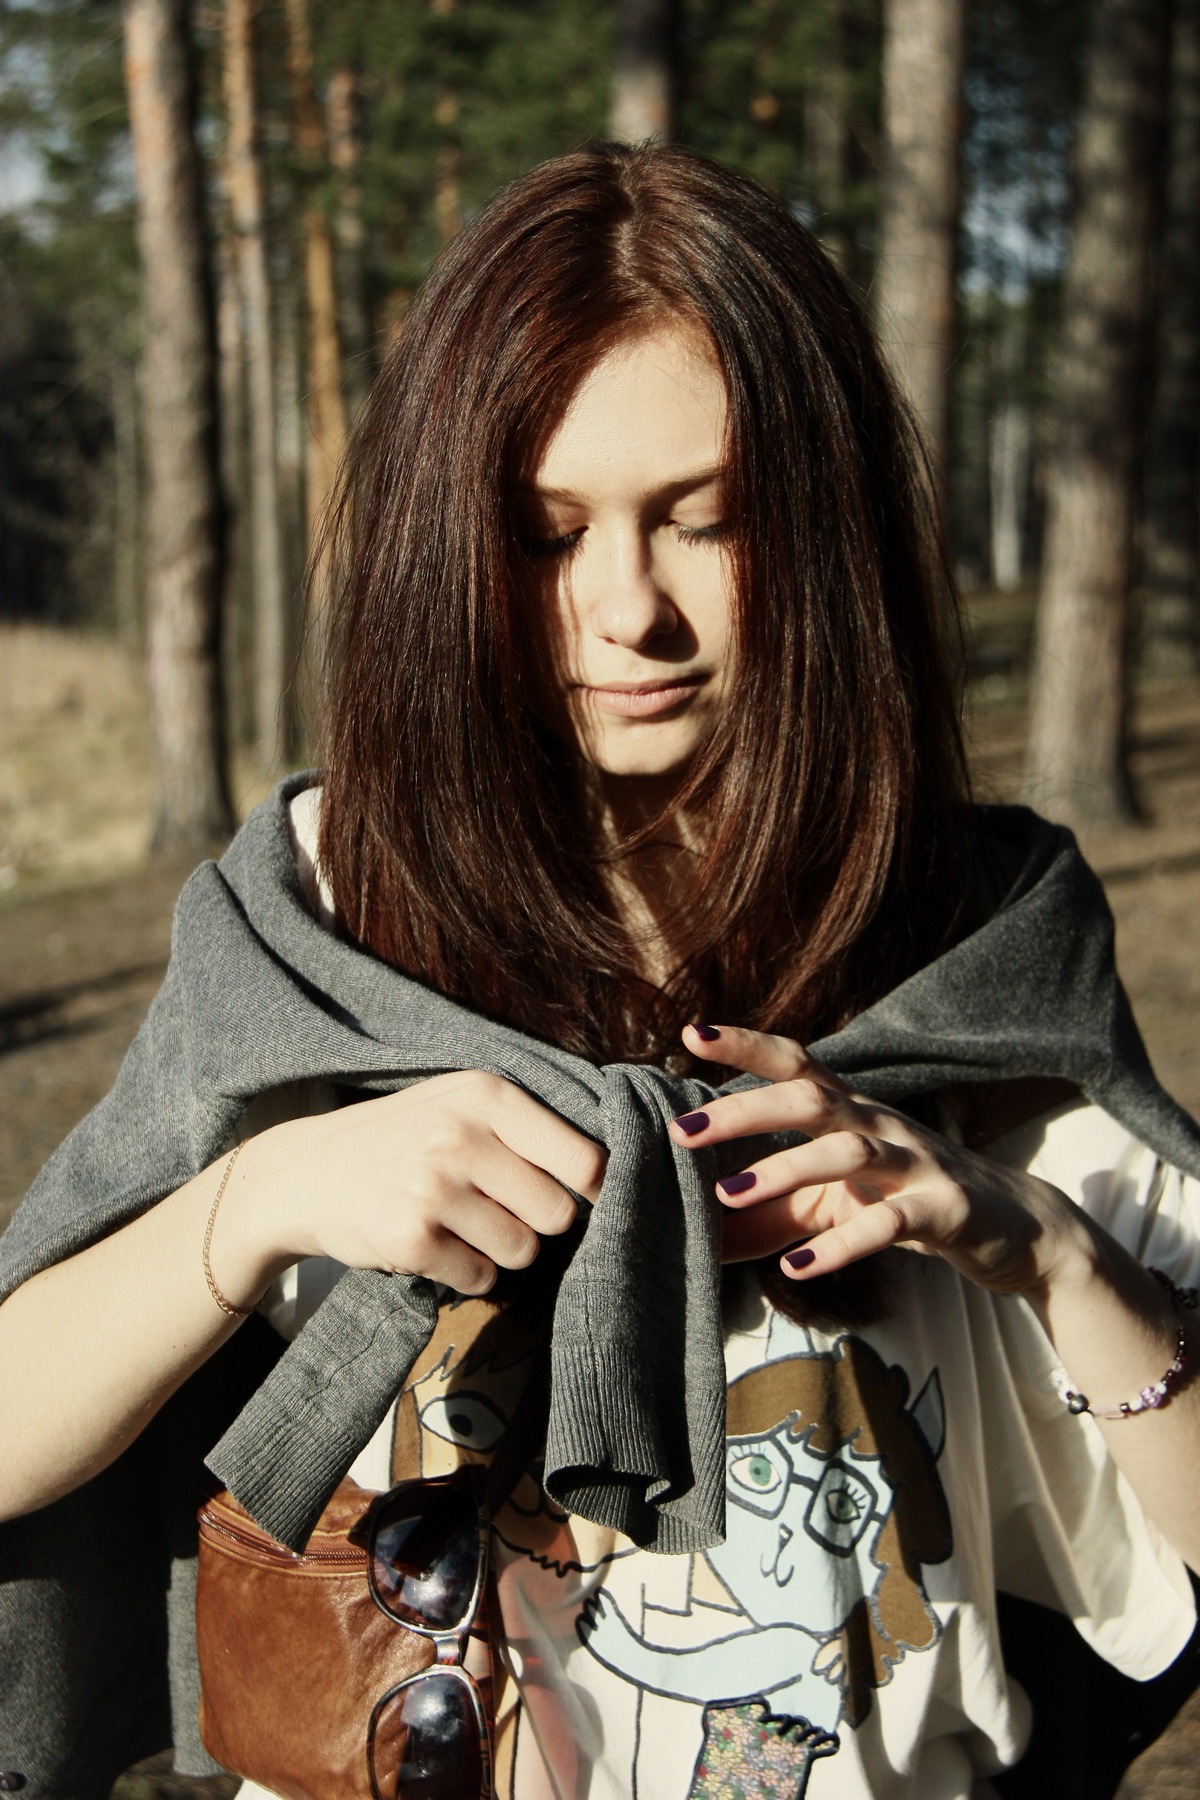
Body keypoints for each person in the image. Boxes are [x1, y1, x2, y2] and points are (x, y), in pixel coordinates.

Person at [2, 143, 1200, 1800]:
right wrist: (258, 1198)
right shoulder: (323, 912)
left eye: (706, 521)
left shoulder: (971, 935)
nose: (628, 610)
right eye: (547, 534)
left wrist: (1045, 1249)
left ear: (828, 527)